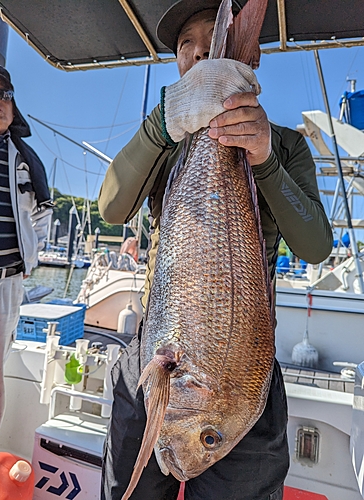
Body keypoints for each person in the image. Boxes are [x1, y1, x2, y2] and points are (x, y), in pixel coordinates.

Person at [99, 1, 333, 499]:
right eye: (188, 45)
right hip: (156, 358)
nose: (202, 53)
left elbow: (315, 246)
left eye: (214, 41)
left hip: (241, 379)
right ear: (177, 60)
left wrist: (265, 159)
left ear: (253, 60)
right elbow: (112, 206)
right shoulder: (165, 137)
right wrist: (164, 122)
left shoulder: (286, 144)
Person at [0, 60, 52, 448]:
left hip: (4, 285)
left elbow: (43, 213)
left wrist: (30, 259)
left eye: (4, 95)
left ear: (13, 108)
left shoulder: (27, 159)